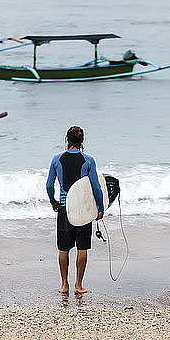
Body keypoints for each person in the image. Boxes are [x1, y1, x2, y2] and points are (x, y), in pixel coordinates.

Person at [46, 126, 104, 295]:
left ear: (67, 139)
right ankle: (79, 285)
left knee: (63, 249)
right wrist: (100, 208)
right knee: (82, 247)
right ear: (82, 141)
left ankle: (64, 285)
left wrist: (53, 201)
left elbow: (49, 185)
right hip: (83, 210)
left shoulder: (57, 159)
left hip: (64, 208)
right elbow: (96, 187)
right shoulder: (89, 160)